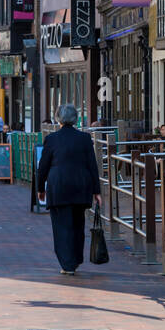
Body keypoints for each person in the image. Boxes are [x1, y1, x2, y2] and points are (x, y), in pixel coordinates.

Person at [36, 104, 102, 275]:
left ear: (58, 118)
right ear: (76, 118)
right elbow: (92, 166)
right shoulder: (85, 138)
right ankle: (76, 258)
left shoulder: (51, 139)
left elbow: (43, 166)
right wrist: (97, 191)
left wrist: (40, 187)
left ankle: (67, 263)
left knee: (61, 226)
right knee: (78, 225)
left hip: (58, 186)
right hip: (81, 186)